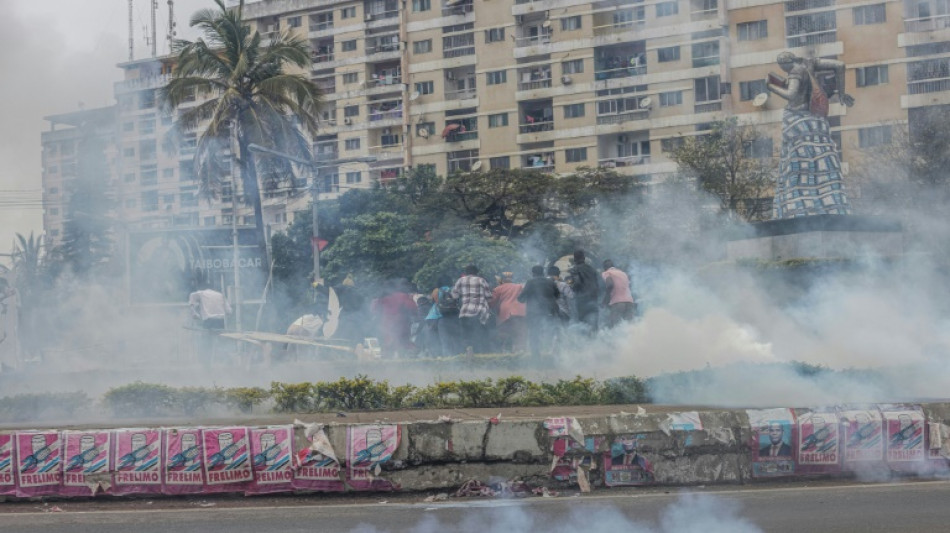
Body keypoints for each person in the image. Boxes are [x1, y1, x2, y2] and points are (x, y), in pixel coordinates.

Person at [518, 265, 559, 358]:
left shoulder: (530, 282)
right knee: (551, 333)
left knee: (534, 334)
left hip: (534, 313)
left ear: (533, 273)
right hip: (549, 312)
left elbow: (521, 298)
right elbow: (557, 295)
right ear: (543, 272)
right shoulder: (550, 282)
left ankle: (536, 357)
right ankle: (552, 355)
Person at [370, 279, 418, 357]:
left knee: (388, 344)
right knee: (403, 343)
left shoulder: (381, 298)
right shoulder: (402, 296)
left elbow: (374, 311)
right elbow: (413, 308)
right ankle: (405, 362)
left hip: (385, 325)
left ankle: (386, 364)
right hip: (401, 323)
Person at [452, 265, 492, 354]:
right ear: (476, 272)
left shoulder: (460, 280)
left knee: (466, 337)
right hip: (479, 313)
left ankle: (467, 355)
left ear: (466, 272)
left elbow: (454, 296)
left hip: (465, 312)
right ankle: (480, 356)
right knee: (479, 336)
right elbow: (489, 297)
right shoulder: (482, 280)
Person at [490, 272, 527, 352]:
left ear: (502, 280)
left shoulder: (498, 288)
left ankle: (505, 353)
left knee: (504, 335)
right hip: (520, 312)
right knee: (520, 334)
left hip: (505, 314)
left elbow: (492, 302)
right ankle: (520, 352)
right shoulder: (520, 286)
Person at [568, 250, 601, 334]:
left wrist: (572, 287)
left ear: (574, 259)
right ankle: (597, 345)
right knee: (594, 327)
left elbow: (577, 283)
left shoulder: (575, 269)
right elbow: (601, 284)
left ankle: (586, 346)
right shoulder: (592, 269)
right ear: (584, 258)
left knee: (583, 326)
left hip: (582, 301)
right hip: (594, 300)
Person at [601, 260, 635, 327]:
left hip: (617, 303)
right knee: (629, 327)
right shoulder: (623, 273)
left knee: (615, 328)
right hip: (629, 302)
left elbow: (610, 285)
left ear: (605, 268)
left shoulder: (607, 273)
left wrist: (605, 301)